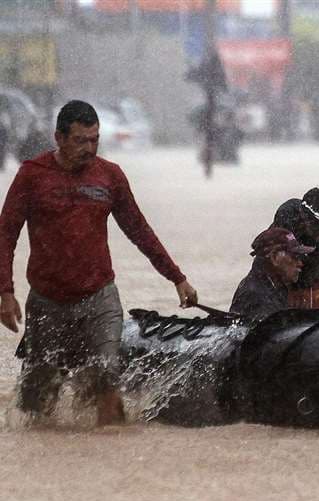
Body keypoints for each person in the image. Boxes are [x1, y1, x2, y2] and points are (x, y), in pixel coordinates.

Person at [0, 100, 198, 426]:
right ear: (59, 138)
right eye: (80, 141)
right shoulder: (32, 176)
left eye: (95, 140)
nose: (89, 148)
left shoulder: (110, 176)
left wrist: (177, 277)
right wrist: (6, 292)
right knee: (39, 401)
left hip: (99, 298)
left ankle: (113, 457)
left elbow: (139, 230)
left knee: (107, 378)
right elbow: (6, 234)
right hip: (48, 302)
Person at [230, 227, 315, 318]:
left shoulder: (274, 285)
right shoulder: (256, 296)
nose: (300, 263)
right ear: (274, 257)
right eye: (295, 257)